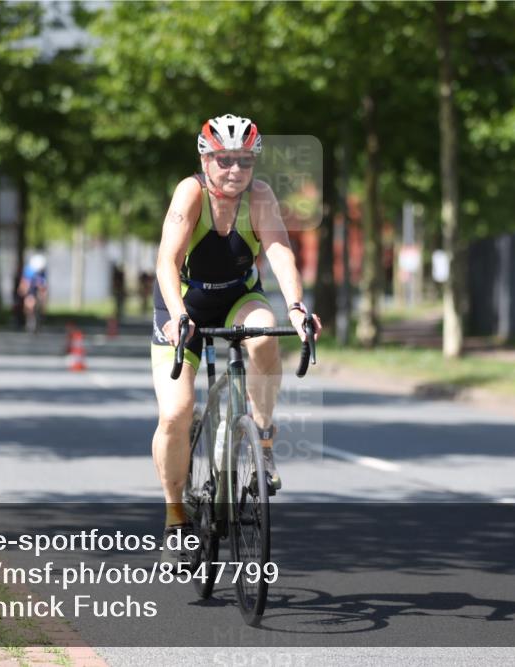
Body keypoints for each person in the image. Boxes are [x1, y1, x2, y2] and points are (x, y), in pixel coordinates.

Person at [150, 114, 321, 555]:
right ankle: (175, 516)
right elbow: (167, 261)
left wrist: (297, 307)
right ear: (204, 160)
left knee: (264, 337)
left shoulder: (259, 196)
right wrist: (177, 316)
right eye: (224, 160)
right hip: (182, 304)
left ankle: (262, 437)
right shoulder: (190, 193)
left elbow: (280, 252)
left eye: (244, 161)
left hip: (238, 296)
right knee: (176, 414)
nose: (234, 170)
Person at [18, 253, 49, 332]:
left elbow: (44, 285)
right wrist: (23, 290)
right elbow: (24, 283)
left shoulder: (42, 271)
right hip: (30, 288)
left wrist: (43, 295)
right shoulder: (28, 270)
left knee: (43, 297)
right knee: (29, 301)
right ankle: (29, 317)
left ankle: (41, 314)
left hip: (39, 287)